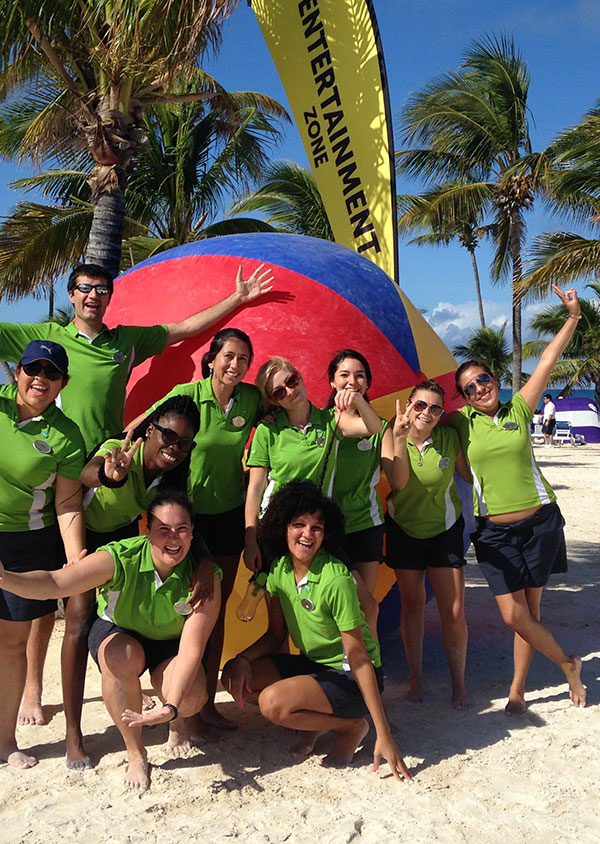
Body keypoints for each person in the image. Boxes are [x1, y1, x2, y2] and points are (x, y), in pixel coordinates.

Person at [0, 261, 272, 765]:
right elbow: (83, 482)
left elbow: (182, 330)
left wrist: (238, 301)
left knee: (77, 608)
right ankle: (70, 730)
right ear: (71, 292)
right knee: (70, 613)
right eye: (85, 289)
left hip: (109, 488)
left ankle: (167, 702)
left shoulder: (124, 340)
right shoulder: (41, 337)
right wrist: (109, 472)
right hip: (83, 479)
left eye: (103, 289)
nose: (94, 296)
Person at [0, 491, 222, 792]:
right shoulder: (121, 557)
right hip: (122, 632)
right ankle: (135, 752)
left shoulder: (206, 577)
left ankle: (176, 725)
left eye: (182, 529)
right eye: (163, 529)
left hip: (170, 643)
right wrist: (5, 579)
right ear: (147, 531)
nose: (173, 538)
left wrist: (170, 708)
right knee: (119, 658)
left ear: (193, 532)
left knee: (191, 698)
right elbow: (55, 583)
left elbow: (191, 650)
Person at [451, 285, 586, 715]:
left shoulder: (520, 410)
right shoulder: (460, 424)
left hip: (541, 523)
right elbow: (421, 414)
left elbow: (546, 361)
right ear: (465, 397)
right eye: (470, 388)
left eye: (484, 380)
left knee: (530, 610)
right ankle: (567, 663)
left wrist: (573, 317)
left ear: (494, 378)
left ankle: (517, 690)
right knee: (514, 616)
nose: (479, 390)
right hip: (493, 531)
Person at [58, 394, 212, 768]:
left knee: (126, 626)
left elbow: (186, 523)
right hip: (83, 535)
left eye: (184, 443)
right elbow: (89, 474)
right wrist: (111, 474)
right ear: (149, 430)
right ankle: (73, 733)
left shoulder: (169, 477)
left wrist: (205, 562)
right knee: (78, 620)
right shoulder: (119, 451)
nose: (174, 448)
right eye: (168, 437)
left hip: (120, 537)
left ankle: (143, 692)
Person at [222, 480, 412, 781]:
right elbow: (275, 636)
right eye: (299, 524)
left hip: (351, 674)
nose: (307, 534)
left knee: (273, 703)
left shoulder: (335, 578)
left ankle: (353, 727)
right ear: (282, 527)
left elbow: (360, 657)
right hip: (316, 665)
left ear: (327, 534)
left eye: (317, 528)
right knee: (236, 675)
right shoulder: (279, 570)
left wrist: (384, 732)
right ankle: (316, 724)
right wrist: (242, 659)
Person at [127, 328, 262, 733]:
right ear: (211, 359)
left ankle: (205, 705)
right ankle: (181, 704)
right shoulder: (188, 394)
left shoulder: (251, 399)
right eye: (229, 356)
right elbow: (142, 427)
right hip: (184, 520)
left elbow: (280, 410)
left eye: (243, 358)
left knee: (213, 615)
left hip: (230, 517)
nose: (235, 365)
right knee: (183, 609)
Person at [244, 357, 382, 628]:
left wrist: (355, 399)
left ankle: (363, 669)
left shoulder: (332, 421)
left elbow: (374, 428)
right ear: (274, 401)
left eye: (292, 380)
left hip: (317, 531)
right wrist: (251, 540)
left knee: (366, 605)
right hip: (277, 533)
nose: (290, 390)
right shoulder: (267, 429)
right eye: (279, 391)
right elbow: (255, 490)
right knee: (280, 625)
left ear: (300, 375)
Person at [0, 340, 85, 770]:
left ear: (63, 383)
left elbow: (67, 504)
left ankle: (3, 741)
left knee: (12, 643)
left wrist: (75, 562)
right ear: (16, 371)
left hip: (25, 543)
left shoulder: (66, 435)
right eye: (32, 367)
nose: (40, 378)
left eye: (52, 373)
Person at [381, 380, 472, 708]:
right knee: (413, 605)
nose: (427, 412)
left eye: (435, 408)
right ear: (407, 404)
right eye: (420, 405)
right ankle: (416, 679)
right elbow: (399, 481)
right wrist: (402, 439)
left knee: (454, 609)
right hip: (404, 529)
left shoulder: (448, 438)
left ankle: (458, 683)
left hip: (444, 529)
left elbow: (471, 476)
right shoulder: (389, 437)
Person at [325, 351, 387, 613]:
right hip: (327, 526)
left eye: (360, 375)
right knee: (335, 606)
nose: (352, 381)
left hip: (365, 525)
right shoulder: (320, 421)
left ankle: (363, 655)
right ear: (332, 382)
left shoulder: (380, 427)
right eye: (344, 375)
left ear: (368, 383)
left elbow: (397, 476)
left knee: (364, 606)